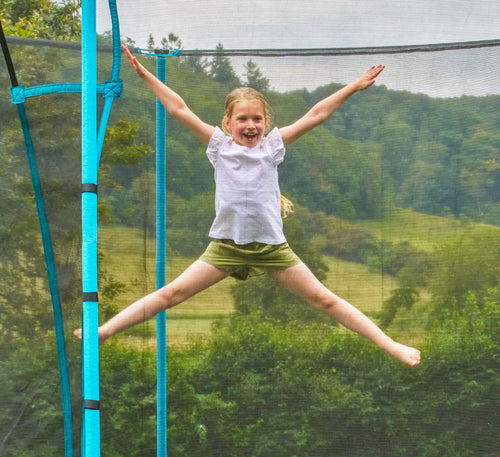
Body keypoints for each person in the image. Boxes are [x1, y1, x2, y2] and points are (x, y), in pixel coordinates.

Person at [74, 45, 421, 367]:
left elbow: (316, 114)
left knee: (323, 300)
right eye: (242, 119)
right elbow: (178, 108)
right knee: (173, 293)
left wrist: (352, 87)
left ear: (265, 123)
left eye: (257, 119)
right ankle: (105, 332)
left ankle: (390, 345)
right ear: (228, 123)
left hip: (272, 248)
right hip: (227, 247)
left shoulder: (272, 146)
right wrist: (145, 75)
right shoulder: (219, 146)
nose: (250, 125)